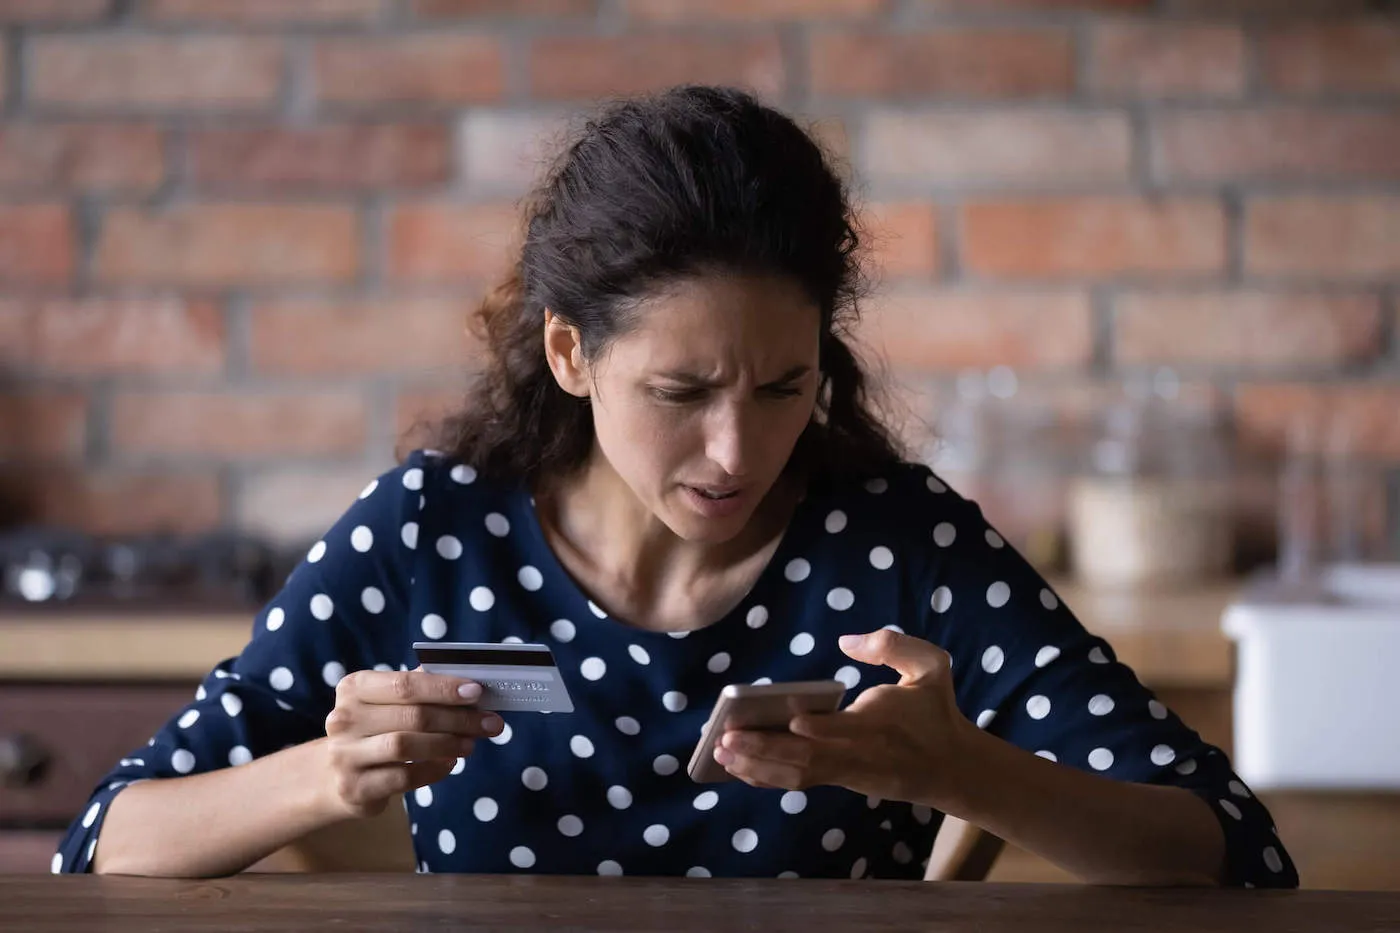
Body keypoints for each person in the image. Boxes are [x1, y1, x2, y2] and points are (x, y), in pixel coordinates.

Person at [56, 85, 1297, 887]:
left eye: (778, 389)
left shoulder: (900, 541)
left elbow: (1231, 854)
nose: (734, 454)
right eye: (678, 393)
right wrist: (325, 778)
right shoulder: (429, 534)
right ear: (569, 353)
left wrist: (955, 773)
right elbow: (104, 845)